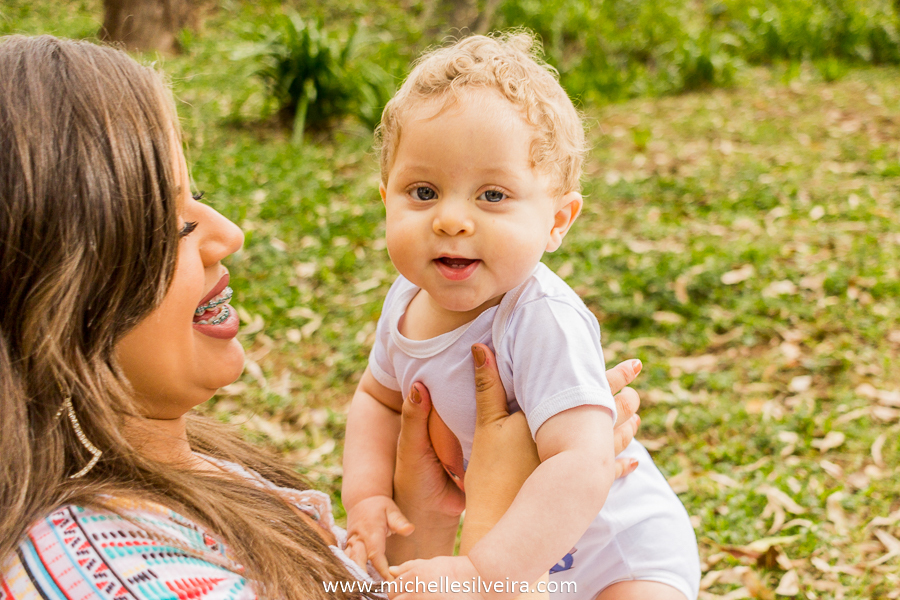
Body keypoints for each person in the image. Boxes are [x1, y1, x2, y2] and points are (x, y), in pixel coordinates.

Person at [0, 35, 646, 600]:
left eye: (200, 196)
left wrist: (417, 514)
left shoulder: (187, 470)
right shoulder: (109, 574)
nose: (230, 232)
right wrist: (490, 536)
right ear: (54, 285)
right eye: (173, 221)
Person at [341, 33, 701, 600]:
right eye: (424, 191)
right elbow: (377, 400)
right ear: (386, 196)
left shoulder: (540, 318)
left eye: (492, 195)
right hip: (520, 556)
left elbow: (582, 462)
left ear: (558, 220)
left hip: (619, 552)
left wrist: (484, 572)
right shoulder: (402, 303)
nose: (452, 219)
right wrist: (364, 496)